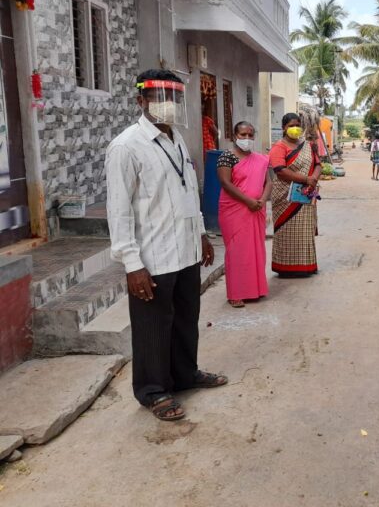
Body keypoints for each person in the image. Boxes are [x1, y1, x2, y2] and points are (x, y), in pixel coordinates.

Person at [106, 69, 227, 422]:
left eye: (172, 97)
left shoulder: (176, 140)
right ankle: (153, 390)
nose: (167, 105)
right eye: (158, 97)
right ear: (140, 100)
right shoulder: (126, 147)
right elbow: (119, 211)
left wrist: (202, 235)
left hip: (185, 250)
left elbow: (188, 193)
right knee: (153, 327)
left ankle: (185, 374)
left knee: (186, 318)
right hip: (153, 257)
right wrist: (132, 264)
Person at [217, 121, 272, 308]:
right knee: (237, 251)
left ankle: (256, 289)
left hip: (256, 209)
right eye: (242, 135)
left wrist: (262, 200)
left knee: (255, 250)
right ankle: (236, 293)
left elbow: (268, 183)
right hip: (234, 210)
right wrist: (248, 201)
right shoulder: (227, 157)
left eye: (250, 135)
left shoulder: (261, 159)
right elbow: (226, 183)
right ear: (234, 136)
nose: (247, 139)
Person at [269, 113, 322, 277]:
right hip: (285, 196)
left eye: (298, 125)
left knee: (304, 230)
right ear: (284, 127)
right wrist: (306, 178)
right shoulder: (279, 147)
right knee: (286, 231)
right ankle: (285, 267)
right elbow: (280, 171)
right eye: (291, 125)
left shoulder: (307, 145)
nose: (295, 128)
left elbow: (318, 164)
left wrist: (313, 178)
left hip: (306, 194)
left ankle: (306, 265)